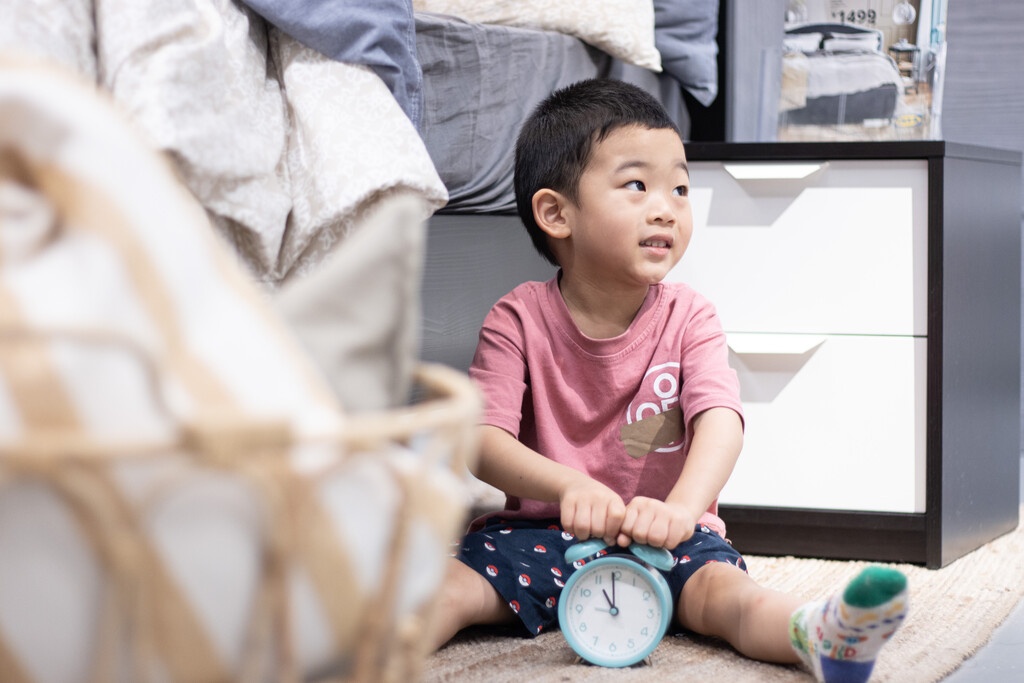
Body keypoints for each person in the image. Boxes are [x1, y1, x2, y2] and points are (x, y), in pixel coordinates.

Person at [432, 78, 907, 683]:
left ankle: (820, 634)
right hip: (543, 533)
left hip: (669, 542)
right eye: (637, 185)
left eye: (680, 188)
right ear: (556, 213)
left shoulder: (691, 316)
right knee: (455, 588)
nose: (667, 207)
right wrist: (568, 486)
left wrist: (681, 511)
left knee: (727, 598)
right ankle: (358, 641)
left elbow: (721, 422)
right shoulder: (516, 318)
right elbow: (481, 439)